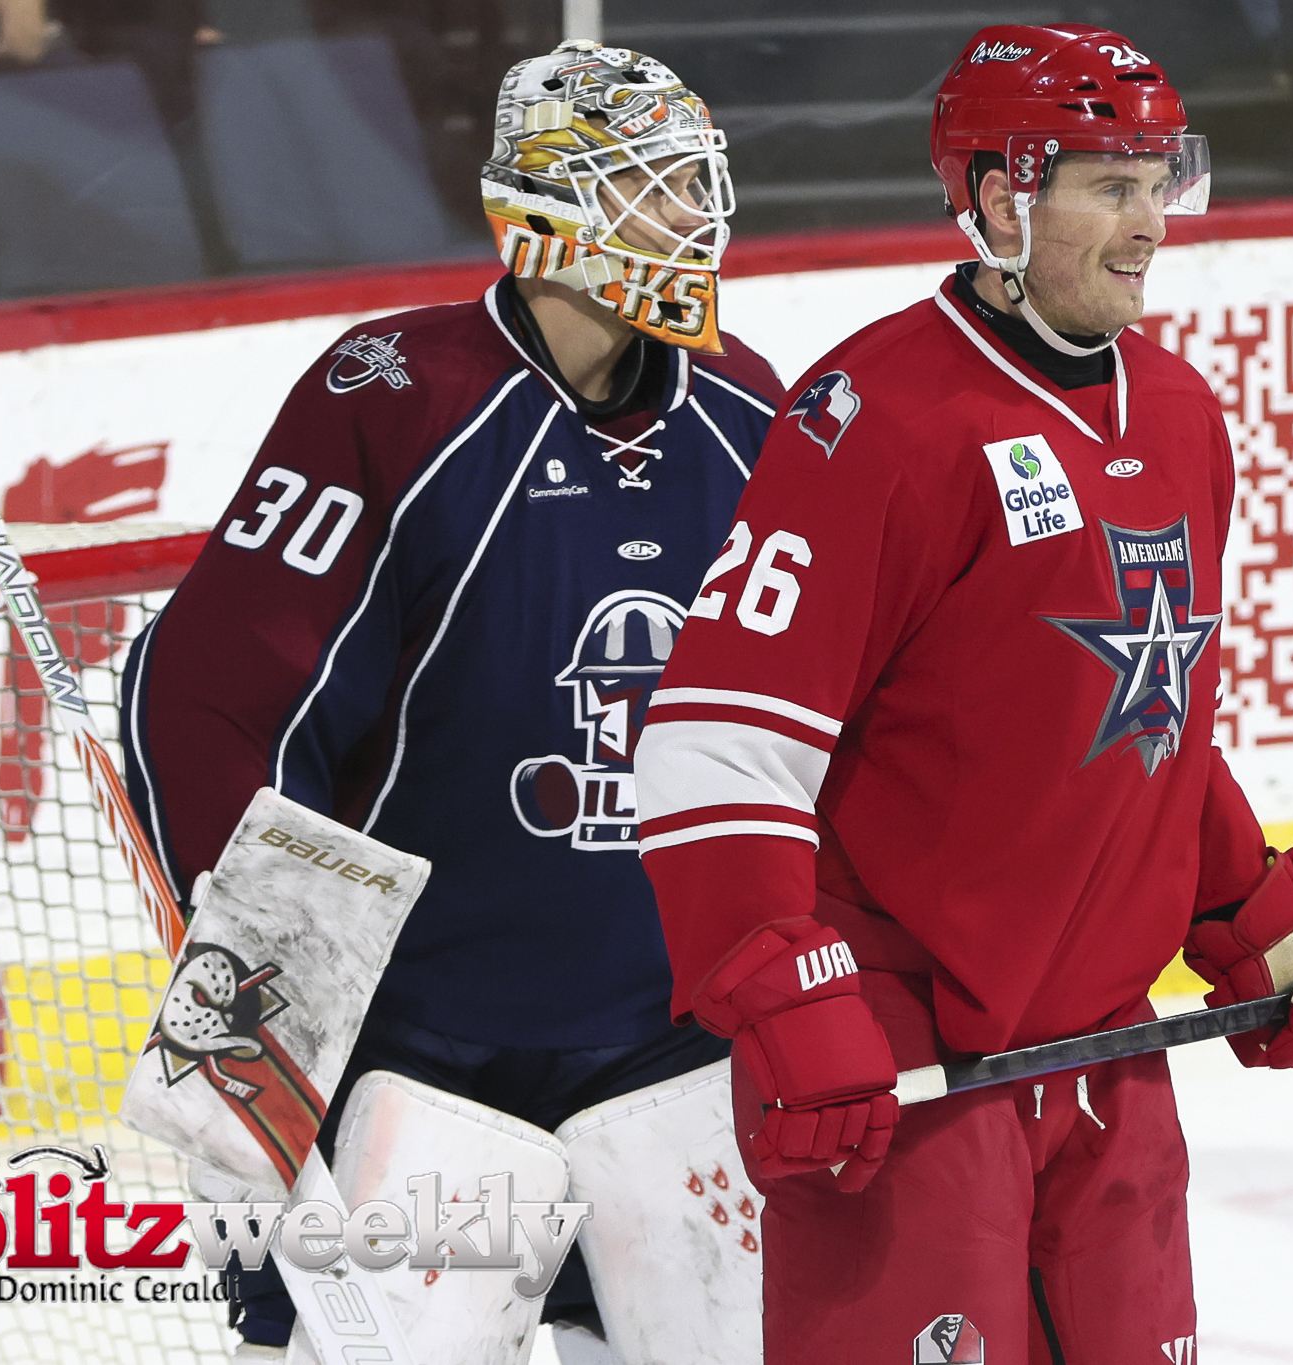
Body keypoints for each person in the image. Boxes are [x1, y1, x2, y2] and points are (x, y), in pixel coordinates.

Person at [632, 23, 1293, 1365]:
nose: (1150, 224)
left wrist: (1253, 919)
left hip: (1107, 1058)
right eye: (1112, 188)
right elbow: (717, 741)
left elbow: (1143, 731)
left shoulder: (1179, 415)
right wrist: (786, 990)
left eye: (1159, 182)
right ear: (1004, 201)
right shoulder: (877, 415)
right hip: (909, 1063)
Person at [119, 39, 783, 1360]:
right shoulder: (398, 396)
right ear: (541, 208)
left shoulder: (745, 410)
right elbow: (202, 701)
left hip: (669, 1038)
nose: (690, 218)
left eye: (694, 181)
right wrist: (262, 1007)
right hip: (420, 1044)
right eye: (646, 184)